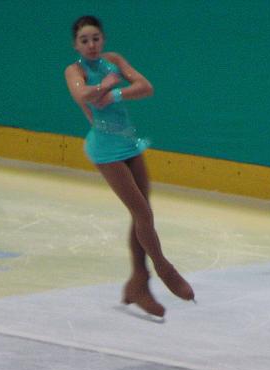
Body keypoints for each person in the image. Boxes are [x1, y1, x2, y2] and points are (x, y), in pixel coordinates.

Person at [64, 15, 194, 318]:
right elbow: (82, 94)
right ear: (76, 45)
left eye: (95, 38)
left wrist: (115, 92)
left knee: (142, 213)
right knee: (142, 214)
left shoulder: (113, 60)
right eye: (84, 40)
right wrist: (104, 85)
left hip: (129, 143)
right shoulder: (75, 70)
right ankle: (163, 269)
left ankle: (138, 283)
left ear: (103, 39)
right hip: (105, 149)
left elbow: (146, 87)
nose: (91, 45)